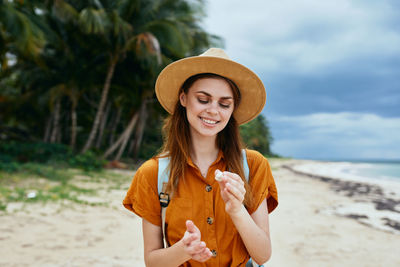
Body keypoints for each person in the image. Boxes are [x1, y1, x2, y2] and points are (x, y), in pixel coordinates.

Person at [123, 48, 278, 267]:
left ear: (232, 109)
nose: (214, 110)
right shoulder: (153, 173)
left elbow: (263, 255)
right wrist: (183, 250)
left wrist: (237, 210)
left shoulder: (253, 165)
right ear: (184, 98)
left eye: (224, 104)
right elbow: (152, 261)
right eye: (203, 99)